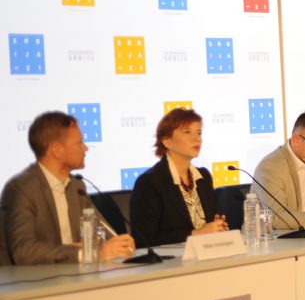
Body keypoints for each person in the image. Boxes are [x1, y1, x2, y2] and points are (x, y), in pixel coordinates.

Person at [0, 111, 135, 265]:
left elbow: (101, 232)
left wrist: (119, 243)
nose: (86, 148)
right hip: (33, 279)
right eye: (79, 143)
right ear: (56, 150)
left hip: (74, 274)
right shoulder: (21, 189)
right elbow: (24, 251)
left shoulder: (76, 186)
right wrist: (85, 253)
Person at [129, 108, 228, 247]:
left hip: (206, 252)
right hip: (170, 259)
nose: (197, 138)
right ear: (167, 141)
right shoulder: (149, 182)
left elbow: (206, 225)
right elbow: (145, 239)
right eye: (187, 132)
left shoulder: (203, 177)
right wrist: (197, 234)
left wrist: (217, 227)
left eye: (199, 133)